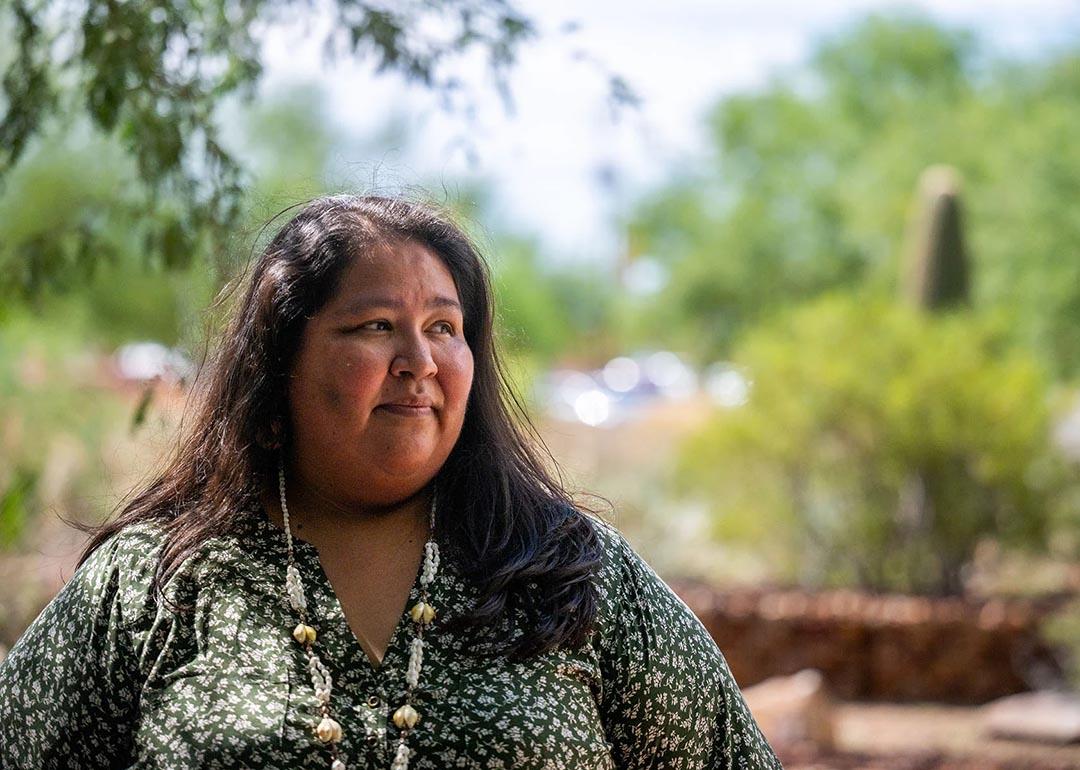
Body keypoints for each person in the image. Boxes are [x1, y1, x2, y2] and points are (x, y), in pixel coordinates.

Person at [0, 195, 782, 769]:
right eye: (376, 326)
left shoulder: (571, 572)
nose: (421, 360)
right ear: (282, 366)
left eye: (445, 328)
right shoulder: (156, 583)